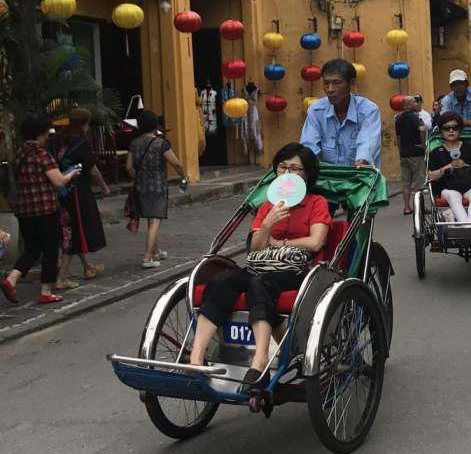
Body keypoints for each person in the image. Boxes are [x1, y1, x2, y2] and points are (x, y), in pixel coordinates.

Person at [189, 144, 331, 385]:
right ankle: (196, 358)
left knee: (259, 284)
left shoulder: (316, 202)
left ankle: (260, 359)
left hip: (297, 271)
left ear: (307, 175)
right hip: (261, 265)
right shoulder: (267, 205)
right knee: (221, 281)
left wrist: (282, 242)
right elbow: (255, 248)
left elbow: (316, 242)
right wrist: (267, 223)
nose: (288, 173)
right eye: (283, 167)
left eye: (296, 169)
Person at [1, 115, 81, 305]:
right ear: (40, 133)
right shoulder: (41, 154)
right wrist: (72, 173)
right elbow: (58, 181)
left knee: (32, 248)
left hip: (25, 210)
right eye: (46, 132)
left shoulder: (19, 153)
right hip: (45, 208)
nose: (48, 136)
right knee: (50, 249)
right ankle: (46, 291)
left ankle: (11, 279)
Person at [54, 108, 110, 289]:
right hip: (77, 193)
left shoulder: (58, 141)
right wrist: (103, 186)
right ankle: (61, 277)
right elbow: (93, 170)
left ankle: (87, 266)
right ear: (85, 125)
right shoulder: (80, 144)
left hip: (61, 191)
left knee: (74, 229)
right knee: (74, 231)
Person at [126, 110, 187, 268]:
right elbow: (177, 163)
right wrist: (183, 176)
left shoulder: (134, 143)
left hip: (140, 186)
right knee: (155, 220)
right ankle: (147, 258)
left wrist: (137, 178)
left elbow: (129, 167)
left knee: (150, 218)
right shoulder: (160, 143)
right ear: (155, 126)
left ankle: (156, 251)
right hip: (157, 186)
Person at [301, 58, 381, 168]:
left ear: (351, 83)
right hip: (326, 180)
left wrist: (362, 162)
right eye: (326, 83)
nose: (330, 89)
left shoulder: (368, 110)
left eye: (336, 83)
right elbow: (309, 147)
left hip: (359, 178)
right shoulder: (315, 111)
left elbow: (367, 143)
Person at [428, 112, 471, 223]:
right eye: (446, 128)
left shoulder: (470, 147)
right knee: (453, 196)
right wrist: (447, 167)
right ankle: (470, 226)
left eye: (455, 127)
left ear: (460, 130)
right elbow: (430, 176)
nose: (451, 130)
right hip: (448, 188)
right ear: (441, 131)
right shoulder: (436, 152)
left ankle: (469, 226)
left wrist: (466, 165)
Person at [395, 97, 427, 214]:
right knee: (419, 182)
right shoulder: (414, 116)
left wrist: (400, 151)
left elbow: (398, 138)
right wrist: (423, 145)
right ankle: (419, 208)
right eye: (414, 102)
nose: (416, 103)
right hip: (416, 153)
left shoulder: (398, 118)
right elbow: (422, 129)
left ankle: (407, 207)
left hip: (404, 154)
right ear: (409, 105)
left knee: (406, 182)